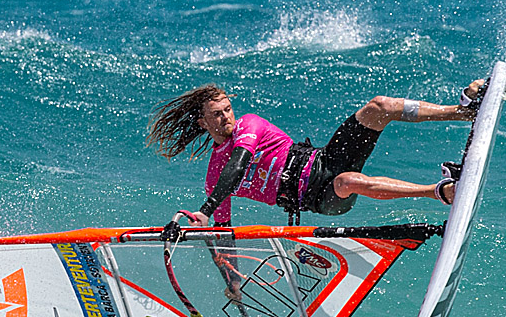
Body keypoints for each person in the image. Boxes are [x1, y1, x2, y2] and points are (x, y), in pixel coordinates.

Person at [147, 80, 485, 230]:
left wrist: (205, 208)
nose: (227, 118)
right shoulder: (214, 178)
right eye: (217, 114)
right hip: (315, 197)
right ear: (203, 122)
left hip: (323, 159)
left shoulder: (248, 126)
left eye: (228, 109)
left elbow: (239, 165)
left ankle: (462, 111)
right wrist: (232, 279)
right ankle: (442, 191)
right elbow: (222, 233)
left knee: (378, 107)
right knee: (348, 181)